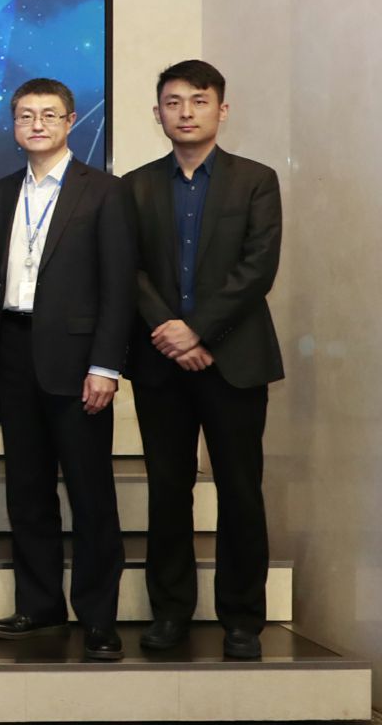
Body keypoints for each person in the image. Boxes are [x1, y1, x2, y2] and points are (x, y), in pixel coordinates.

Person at [124, 60, 283, 660]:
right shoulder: (134, 186)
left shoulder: (256, 180)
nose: (185, 112)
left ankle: (242, 619)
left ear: (222, 108)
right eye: (173, 102)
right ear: (157, 112)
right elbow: (129, 269)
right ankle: (170, 613)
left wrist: (196, 330)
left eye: (198, 100)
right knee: (169, 490)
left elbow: (257, 268)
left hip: (234, 360)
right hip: (160, 362)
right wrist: (171, 333)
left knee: (241, 490)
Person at [0, 78, 136, 661]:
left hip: (77, 359)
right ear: (13, 125)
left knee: (90, 494)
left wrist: (105, 365)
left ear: (70, 121)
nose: (36, 124)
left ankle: (98, 618)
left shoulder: (105, 191)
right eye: (25, 115)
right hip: (13, 352)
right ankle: (39, 606)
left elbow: (119, 286)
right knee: (28, 491)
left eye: (48, 115)